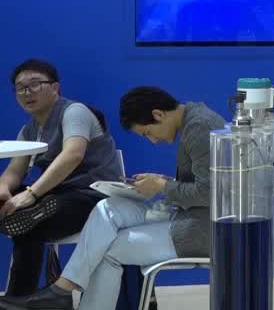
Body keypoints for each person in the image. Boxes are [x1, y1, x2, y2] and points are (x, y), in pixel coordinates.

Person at [0, 87, 226, 310]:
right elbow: (208, 184)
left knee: (105, 250)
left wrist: (162, 186)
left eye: (147, 132)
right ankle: (61, 290)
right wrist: (162, 181)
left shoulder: (199, 128)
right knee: (108, 207)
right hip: (186, 212)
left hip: (201, 229)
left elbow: (210, 193)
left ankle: (62, 291)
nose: (153, 140)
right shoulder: (193, 120)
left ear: (158, 114)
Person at [0, 60, 122, 297]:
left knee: (28, 222)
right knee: (24, 221)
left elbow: (72, 155)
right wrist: (4, 188)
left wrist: (31, 194)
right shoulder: (29, 130)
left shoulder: (74, 112)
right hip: (57, 196)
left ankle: (17, 297)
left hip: (94, 197)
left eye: (34, 84)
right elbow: (14, 171)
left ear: (55, 88)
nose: (27, 92)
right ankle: (19, 299)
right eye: (20, 88)